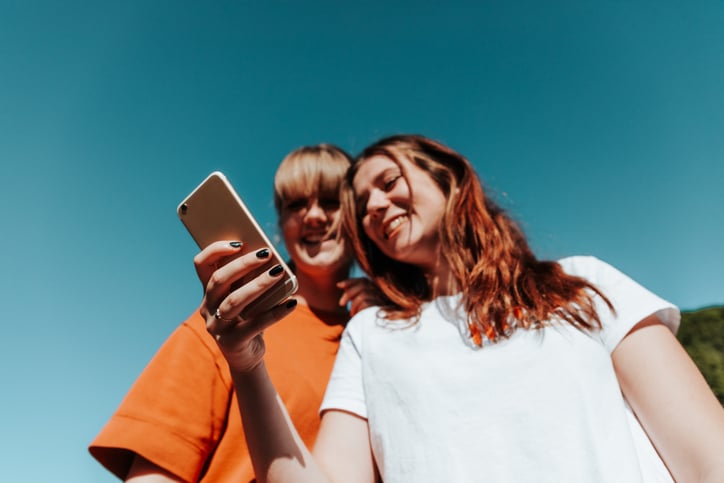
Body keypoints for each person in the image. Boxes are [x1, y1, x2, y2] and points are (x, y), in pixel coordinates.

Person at [203, 134, 724, 483]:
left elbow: (707, 455)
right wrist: (247, 364)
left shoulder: (583, 282)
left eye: (388, 183)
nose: (375, 208)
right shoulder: (371, 334)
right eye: (362, 208)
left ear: (448, 177)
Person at [89, 144, 377, 482]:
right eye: (296, 204)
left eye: (330, 202)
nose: (313, 216)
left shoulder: (377, 336)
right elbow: (155, 475)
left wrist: (384, 327)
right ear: (280, 225)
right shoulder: (229, 324)